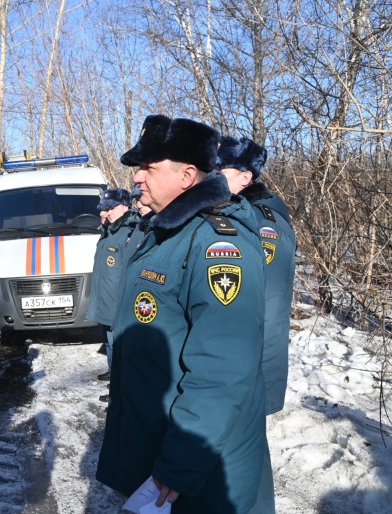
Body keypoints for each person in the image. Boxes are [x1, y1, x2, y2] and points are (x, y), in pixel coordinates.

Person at [96, 115, 273, 513]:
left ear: (186, 175)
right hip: (166, 450)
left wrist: (179, 465)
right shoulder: (164, 234)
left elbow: (221, 370)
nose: (137, 178)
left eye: (148, 167)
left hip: (202, 469)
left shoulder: (217, 246)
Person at [216, 136, 296, 514]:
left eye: (220, 171)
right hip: (236, 362)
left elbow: (267, 300)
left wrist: (245, 369)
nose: (210, 178)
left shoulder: (263, 222)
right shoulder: (236, 214)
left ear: (245, 178)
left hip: (252, 362)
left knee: (246, 464)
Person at [85, 187, 132, 402]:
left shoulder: (130, 232)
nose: (107, 213)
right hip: (106, 302)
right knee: (111, 345)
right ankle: (115, 380)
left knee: (118, 348)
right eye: (105, 209)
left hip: (118, 304)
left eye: (112, 208)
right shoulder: (109, 231)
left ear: (126, 206)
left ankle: (119, 394)